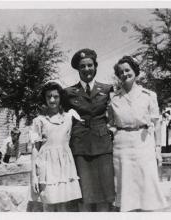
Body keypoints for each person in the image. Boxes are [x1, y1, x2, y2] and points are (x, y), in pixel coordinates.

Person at [109, 55, 167, 212]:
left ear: (135, 71)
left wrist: (158, 149)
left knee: (146, 184)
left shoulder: (149, 95)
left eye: (128, 70)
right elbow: (110, 124)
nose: (124, 74)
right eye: (120, 72)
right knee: (125, 186)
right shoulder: (113, 98)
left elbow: (157, 123)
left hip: (143, 143)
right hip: (122, 146)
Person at [63, 48, 115, 212]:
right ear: (78, 69)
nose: (87, 69)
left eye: (90, 65)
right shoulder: (68, 93)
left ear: (95, 66)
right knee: (84, 194)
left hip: (103, 146)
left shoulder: (106, 90)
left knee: (105, 193)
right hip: (80, 147)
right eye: (82, 66)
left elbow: (114, 116)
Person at [30, 81, 82, 212]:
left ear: (61, 98)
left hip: (64, 166)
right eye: (48, 97)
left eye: (55, 96)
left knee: (63, 206)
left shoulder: (69, 117)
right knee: (48, 204)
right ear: (44, 98)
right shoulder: (39, 121)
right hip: (46, 168)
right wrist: (34, 176)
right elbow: (35, 149)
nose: (52, 100)